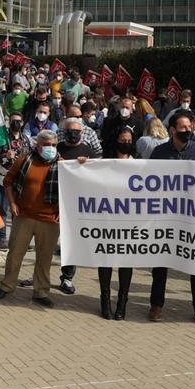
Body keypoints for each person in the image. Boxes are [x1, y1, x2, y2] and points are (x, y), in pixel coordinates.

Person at [149, 109, 195, 326]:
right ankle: (156, 305)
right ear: (173, 130)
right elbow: (148, 182)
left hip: (192, 216)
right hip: (165, 215)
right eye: (183, 127)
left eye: (190, 127)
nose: (188, 130)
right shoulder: (159, 153)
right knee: (160, 261)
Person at [0, 129, 62, 308]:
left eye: (54, 145)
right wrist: (12, 203)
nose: (51, 148)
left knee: (44, 258)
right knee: (15, 254)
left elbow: (73, 188)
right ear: (38, 145)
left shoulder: (62, 164)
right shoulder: (25, 160)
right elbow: (8, 181)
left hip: (50, 219)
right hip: (24, 216)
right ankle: (7, 286)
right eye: (47, 145)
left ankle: (41, 291)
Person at [55, 116, 101, 294]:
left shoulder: (88, 151)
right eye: (69, 131)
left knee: (70, 242)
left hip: (76, 204)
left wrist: (86, 165)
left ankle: (67, 278)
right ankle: (40, 275)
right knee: (47, 241)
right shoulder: (56, 149)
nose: (72, 134)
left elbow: (96, 176)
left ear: (81, 133)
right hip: (54, 201)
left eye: (76, 132)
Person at [98, 127, 136, 320]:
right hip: (108, 219)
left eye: (129, 140)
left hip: (129, 222)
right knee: (106, 260)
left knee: (125, 262)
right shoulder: (105, 163)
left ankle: (122, 301)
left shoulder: (140, 165)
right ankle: (105, 300)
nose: (125, 143)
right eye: (122, 139)